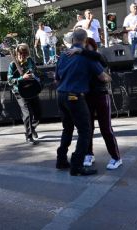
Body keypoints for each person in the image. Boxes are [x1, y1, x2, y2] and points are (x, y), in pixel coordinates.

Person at [54, 29, 111, 176]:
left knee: (67, 129)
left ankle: (61, 160)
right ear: (85, 41)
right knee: (85, 131)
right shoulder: (87, 57)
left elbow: (56, 79)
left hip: (61, 95)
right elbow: (103, 78)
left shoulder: (63, 56)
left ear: (73, 40)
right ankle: (77, 165)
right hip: (75, 97)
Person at [65, 37, 122, 170]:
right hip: (87, 96)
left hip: (101, 95)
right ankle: (89, 154)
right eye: (83, 46)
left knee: (106, 128)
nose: (84, 48)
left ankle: (116, 158)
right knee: (88, 128)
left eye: (87, 46)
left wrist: (80, 51)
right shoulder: (81, 59)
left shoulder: (97, 57)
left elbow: (98, 58)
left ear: (92, 46)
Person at [7, 43, 41, 145]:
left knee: (38, 113)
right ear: (17, 53)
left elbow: (36, 71)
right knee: (27, 113)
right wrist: (22, 78)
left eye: (24, 53)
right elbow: (9, 80)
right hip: (19, 92)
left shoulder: (30, 61)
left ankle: (32, 127)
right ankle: (29, 136)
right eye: (20, 53)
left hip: (32, 89)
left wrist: (35, 75)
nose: (22, 56)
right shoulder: (13, 64)